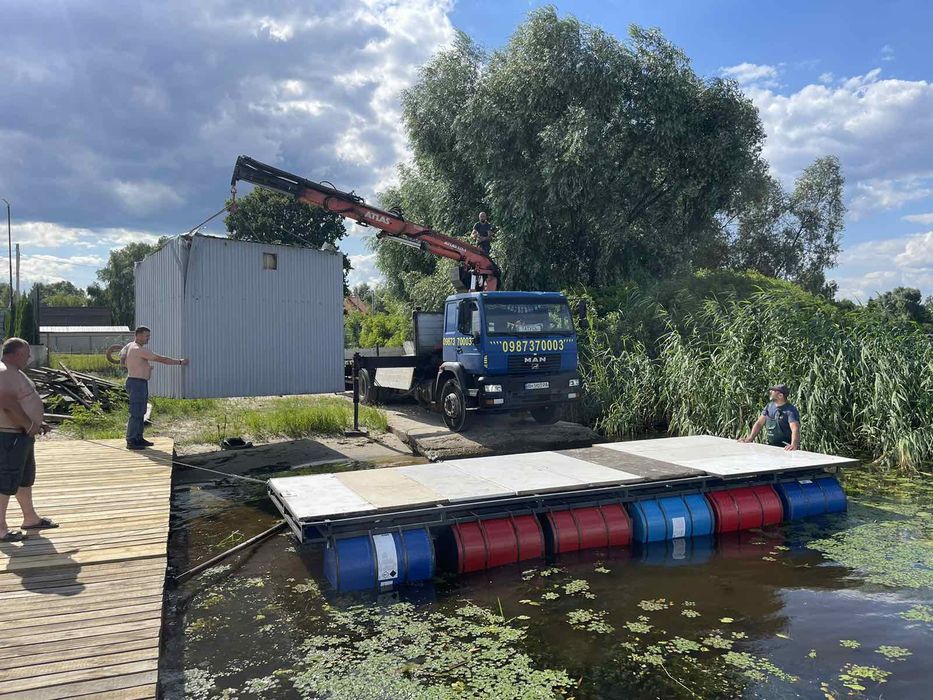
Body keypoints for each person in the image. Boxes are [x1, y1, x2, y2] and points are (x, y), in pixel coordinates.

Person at [0, 338, 55, 542]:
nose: (29, 357)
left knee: (24, 479)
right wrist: (30, 425)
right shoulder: (4, 372)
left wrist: (38, 423)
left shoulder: (13, 371)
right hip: (10, 435)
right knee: (5, 481)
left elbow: (22, 401)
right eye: (26, 354)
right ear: (15, 354)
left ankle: (30, 518)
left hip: (22, 434)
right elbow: (6, 404)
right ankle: (0, 528)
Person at [121, 326, 188, 450]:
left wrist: (136, 366)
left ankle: (138, 438)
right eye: (146, 336)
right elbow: (161, 359)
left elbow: (122, 355)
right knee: (136, 412)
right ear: (138, 335)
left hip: (139, 382)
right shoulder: (138, 349)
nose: (148, 338)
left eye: (149, 336)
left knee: (141, 412)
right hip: (136, 383)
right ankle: (131, 440)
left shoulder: (130, 346)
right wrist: (179, 362)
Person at [739, 383, 801, 451]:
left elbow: (795, 428)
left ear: (780, 395)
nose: (770, 392)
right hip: (771, 446)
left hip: (785, 448)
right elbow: (759, 423)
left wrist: (793, 445)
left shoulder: (790, 410)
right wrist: (750, 438)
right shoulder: (769, 406)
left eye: (773, 391)